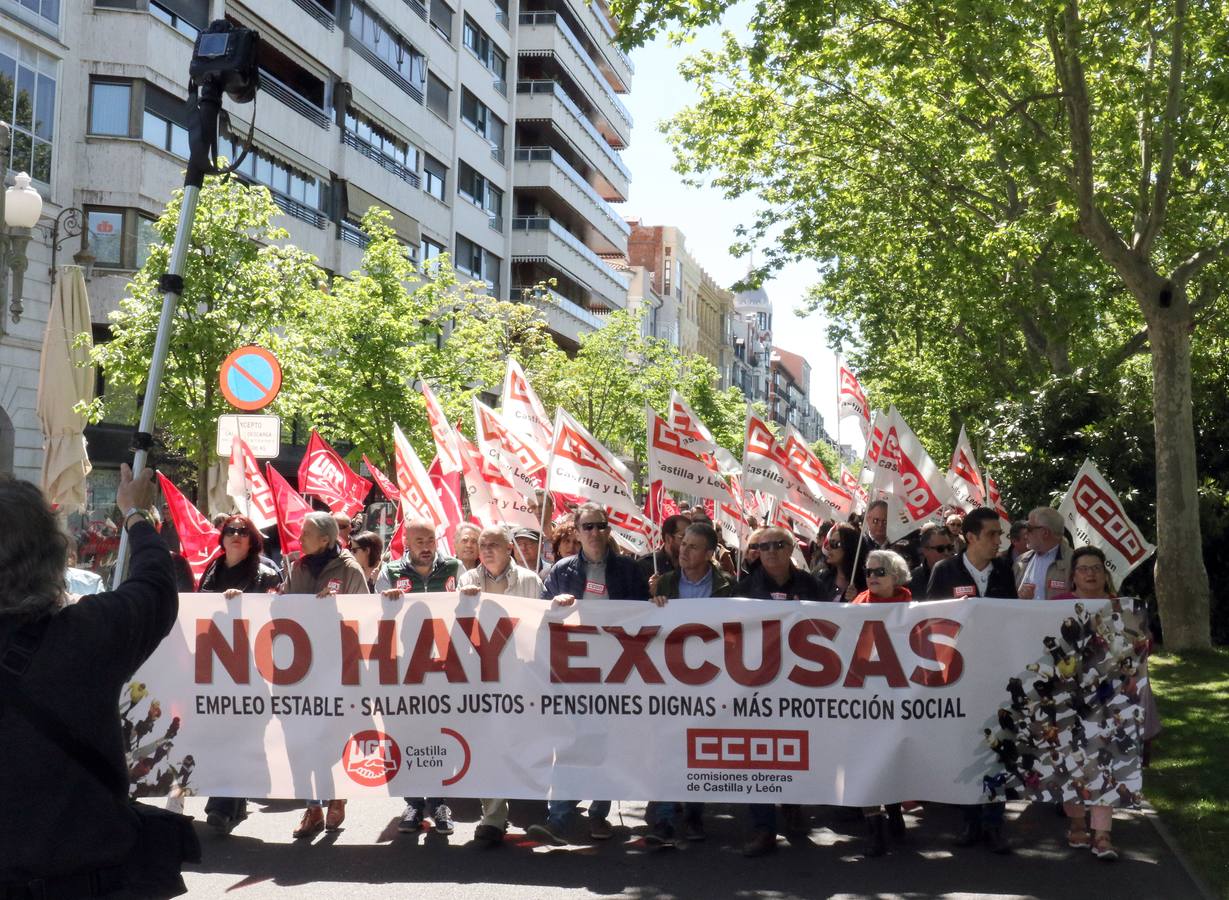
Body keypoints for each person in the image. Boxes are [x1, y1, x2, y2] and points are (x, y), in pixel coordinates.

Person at [0, 465, 190, 896]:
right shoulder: (88, 635)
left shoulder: (88, 631)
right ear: (54, 555)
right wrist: (135, 514)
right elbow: (156, 586)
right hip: (89, 880)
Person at [528, 504, 649, 846]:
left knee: (607, 743)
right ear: (577, 532)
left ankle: (598, 815)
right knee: (571, 743)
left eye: (600, 526)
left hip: (619, 670)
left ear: (609, 530)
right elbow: (540, 614)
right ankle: (560, 820)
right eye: (588, 527)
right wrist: (554, 605)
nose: (595, 532)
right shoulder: (561, 571)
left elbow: (647, 614)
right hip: (576, 672)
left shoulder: (630, 570)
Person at [1050, 546, 1158, 861]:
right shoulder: (1056, 607)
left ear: (1105, 573)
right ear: (1073, 575)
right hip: (1070, 700)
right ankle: (1077, 824)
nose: (1090, 573)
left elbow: (1142, 648)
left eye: (1096, 567)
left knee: (1106, 765)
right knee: (1074, 764)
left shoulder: (1123, 608)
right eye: (1083, 568)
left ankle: (1102, 833)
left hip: (1112, 701)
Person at [925, 507, 1017, 853]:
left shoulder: (1006, 570)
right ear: (971, 537)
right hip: (958, 675)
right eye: (992, 534)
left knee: (996, 747)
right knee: (965, 748)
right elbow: (930, 620)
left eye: (1000, 534)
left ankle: (994, 823)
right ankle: (969, 821)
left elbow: (1012, 619)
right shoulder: (945, 570)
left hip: (996, 674)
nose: (999, 541)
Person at [642, 522, 732, 847]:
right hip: (670, 681)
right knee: (667, 747)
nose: (684, 550)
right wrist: (651, 605)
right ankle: (664, 819)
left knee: (698, 748)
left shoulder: (728, 587)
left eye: (693, 547)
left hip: (711, 683)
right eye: (683, 544)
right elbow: (646, 628)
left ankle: (694, 811)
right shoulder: (664, 582)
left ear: (709, 554)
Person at [731, 526, 819, 857]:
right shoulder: (744, 589)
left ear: (791, 549)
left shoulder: (812, 586)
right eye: (763, 546)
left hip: (801, 684)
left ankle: (794, 805)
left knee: (798, 749)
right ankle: (764, 827)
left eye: (777, 545)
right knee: (758, 754)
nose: (769, 551)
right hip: (757, 686)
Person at [375, 519, 463, 836]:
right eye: (419, 541)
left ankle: (439, 803)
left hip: (442, 667)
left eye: (430, 539)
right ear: (407, 543)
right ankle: (413, 803)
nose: (426, 546)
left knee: (439, 734)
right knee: (406, 734)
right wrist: (387, 602)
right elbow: (376, 613)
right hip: (403, 669)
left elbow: (467, 609)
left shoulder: (454, 567)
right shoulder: (391, 572)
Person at [457, 526, 544, 847]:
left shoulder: (531, 582)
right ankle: (493, 817)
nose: (487, 550)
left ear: (510, 548)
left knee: (521, 744)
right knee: (485, 746)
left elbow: (544, 628)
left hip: (522, 678)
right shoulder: (467, 581)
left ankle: (532, 804)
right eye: (482, 545)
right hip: (481, 677)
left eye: (494, 544)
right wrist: (462, 606)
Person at [284, 511, 369, 839]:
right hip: (302, 668)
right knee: (303, 740)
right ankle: (313, 808)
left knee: (332, 738)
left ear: (325, 539)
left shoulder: (349, 569)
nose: (300, 538)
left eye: (305, 533)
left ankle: (336, 795)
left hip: (337, 667)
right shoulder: (298, 567)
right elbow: (282, 608)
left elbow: (366, 612)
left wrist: (338, 605)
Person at [198, 514, 282, 836]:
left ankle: (222, 805)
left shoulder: (266, 572)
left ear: (252, 540)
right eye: (230, 531)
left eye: (242, 532)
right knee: (220, 734)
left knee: (240, 734)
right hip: (215, 665)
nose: (235, 536)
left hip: (252, 668)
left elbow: (280, 613)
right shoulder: (212, 568)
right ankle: (231, 804)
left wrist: (245, 603)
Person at [850, 549, 913, 854]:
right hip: (862, 697)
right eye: (868, 572)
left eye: (879, 572)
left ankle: (895, 810)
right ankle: (874, 828)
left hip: (898, 696)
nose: (872, 577)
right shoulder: (857, 603)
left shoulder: (912, 607)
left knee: (890, 758)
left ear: (895, 576)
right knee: (864, 760)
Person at [1014, 506, 1073, 600]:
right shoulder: (1021, 561)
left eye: (1029, 529)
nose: (1025, 535)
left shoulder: (1074, 561)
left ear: (1045, 533)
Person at [812, 522, 866, 602]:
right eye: (829, 543)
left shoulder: (865, 584)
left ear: (849, 547)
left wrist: (857, 600)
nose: (827, 547)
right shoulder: (822, 577)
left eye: (834, 544)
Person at [909, 523, 956, 600]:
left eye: (949, 547)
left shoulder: (961, 574)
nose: (947, 553)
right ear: (925, 551)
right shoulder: (912, 580)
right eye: (940, 549)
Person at [638, 513, 689, 581]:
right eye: (683, 537)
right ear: (668, 538)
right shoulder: (646, 565)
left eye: (691, 538)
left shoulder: (694, 564)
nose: (689, 542)